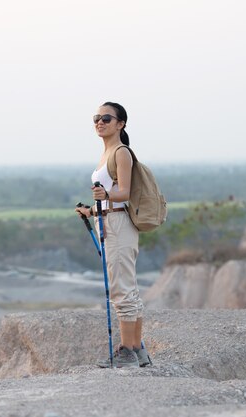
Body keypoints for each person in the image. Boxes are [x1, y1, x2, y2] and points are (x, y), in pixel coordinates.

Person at [75, 101, 150, 368]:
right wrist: (91, 211)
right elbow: (109, 197)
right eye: (97, 117)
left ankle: (127, 352)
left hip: (118, 225)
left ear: (121, 124)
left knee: (121, 291)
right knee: (128, 288)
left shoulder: (120, 152)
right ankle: (138, 351)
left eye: (107, 118)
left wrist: (105, 196)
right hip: (110, 221)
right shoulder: (106, 153)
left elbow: (124, 193)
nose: (100, 122)